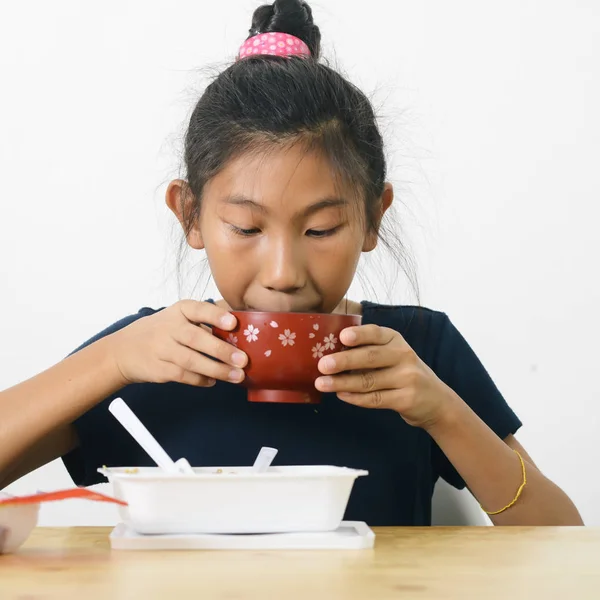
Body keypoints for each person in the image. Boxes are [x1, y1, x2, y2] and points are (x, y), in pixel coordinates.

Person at [0, 0, 582, 526]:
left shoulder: (418, 351)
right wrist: (113, 359)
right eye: (247, 228)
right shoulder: (147, 356)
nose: (283, 272)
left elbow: (561, 541)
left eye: (322, 229)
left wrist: (444, 413)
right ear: (191, 217)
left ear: (373, 219)